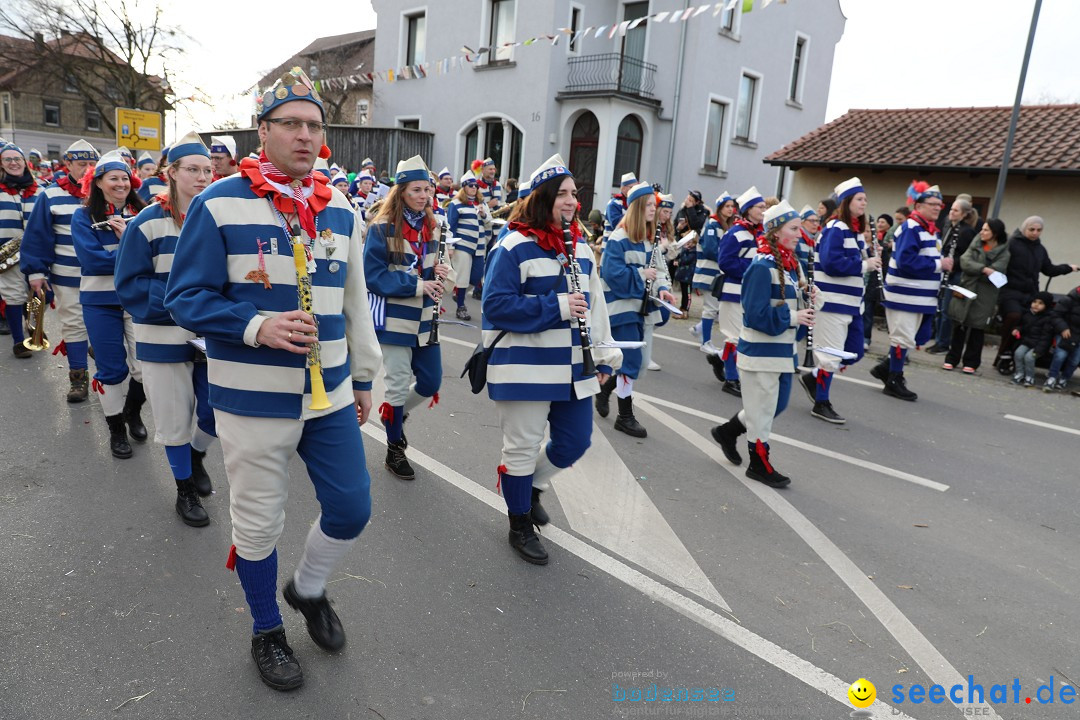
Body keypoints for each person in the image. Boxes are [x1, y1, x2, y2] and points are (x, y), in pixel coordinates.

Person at [164, 68, 381, 691]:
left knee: (352, 507)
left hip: (331, 394)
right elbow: (184, 298)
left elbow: (354, 299)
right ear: (264, 131)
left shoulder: (340, 206)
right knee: (258, 524)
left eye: (314, 125)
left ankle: (307, 589)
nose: (305, 136)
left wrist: (364, 377)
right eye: (291, 124)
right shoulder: (218, 201)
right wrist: (257, 325)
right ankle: (266, 628)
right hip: (252, 397)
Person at [482, 153, 621, 564]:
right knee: (521, 448)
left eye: (574, 194)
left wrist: (607, 354)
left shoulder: (580, 249)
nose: (571, 201)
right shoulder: (512, 245)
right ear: (541, 197)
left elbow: (595, 309)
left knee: (576, 441)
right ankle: (519, 521)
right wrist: (558, 306)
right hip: (523, 365)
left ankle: (530, 488)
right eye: (562, 194)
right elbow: (497, 307)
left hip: (574, 366)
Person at [115, 132, 219, 527]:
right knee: (174, 420)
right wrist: (182, 303)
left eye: (208, 170)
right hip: (162, 336)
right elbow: (130, 286)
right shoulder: (148, 222)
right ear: (171, 173)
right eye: (193, 169)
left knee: (215, 414)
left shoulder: (218, 217)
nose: (202, 177)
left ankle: (196, 456)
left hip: (211, 339)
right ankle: (184, 490)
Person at [710, 200, 813, 488]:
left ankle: (728, 431)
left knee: (773, 407)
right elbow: (755, 315)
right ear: (776, 232)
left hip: (782, 351)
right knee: (763, 409)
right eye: (794, 229)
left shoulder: (792, 264)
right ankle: (759, 462)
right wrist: (794, 316)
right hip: (761, 353)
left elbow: (794, 303)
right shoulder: (761, 266)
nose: (799, 234)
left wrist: (812, 297)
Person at [363, 155, 449, 480]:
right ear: (401, 192)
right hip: (395, 321)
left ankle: (394, 417)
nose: (424, 195)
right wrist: (417, 284)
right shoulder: (381, 228)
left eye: (428, 189)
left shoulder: (435, 227)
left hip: (427, 319)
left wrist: (443, 271)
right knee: (397, 385)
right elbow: (374, 276)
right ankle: (394, 447)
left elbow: (438, 270)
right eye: (417, 189)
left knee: (430, 382)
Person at [70, 151, 148, 458]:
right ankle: (116, 429)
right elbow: (93, 261)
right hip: (99, 302)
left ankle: (132, 411)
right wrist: (131, 248)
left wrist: (130, 238)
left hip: (137, 301)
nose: (121, 183)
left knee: (145, 368)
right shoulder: (82, 216)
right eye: (113, 178)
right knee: (112, 370)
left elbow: (155, 256)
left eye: (125, 177)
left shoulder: (143, 213)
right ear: (98, 182)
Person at [20, 139, 99, 402]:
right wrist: (36, 273)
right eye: (82, 164)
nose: (88, 169)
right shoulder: (50, 195)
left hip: (105, 277)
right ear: (67, 165)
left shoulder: (106, 192)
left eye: (92, 163)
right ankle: (78, 380)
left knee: (104, 327)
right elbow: (38, 236)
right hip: (67, 278)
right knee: (74, 326)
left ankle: (108, 377)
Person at [594, 184, 676, 437]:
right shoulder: (619, 237)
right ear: (639, 207)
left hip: (641, 308)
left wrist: (662, 288)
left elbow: (659, 270)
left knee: (636, 363)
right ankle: (625, 416)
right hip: (621, 309)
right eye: (650, 205)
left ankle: (606, 390)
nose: (655, 209)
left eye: (655, 205)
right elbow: (610, 273)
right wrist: (642, 274)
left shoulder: (648, 239)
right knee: (631, 361)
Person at [798, 178, 878, 424]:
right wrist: (865, 264)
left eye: (865, 198)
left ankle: (813, 377)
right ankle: (821, 402)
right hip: (832, 302)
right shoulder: (835, 228)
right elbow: (832, 264)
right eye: (859, 198)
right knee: (831, 356)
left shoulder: (852, 231)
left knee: (853, 351)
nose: (864, 202)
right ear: (847, 202)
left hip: (850, 303)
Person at [871, 185, 952, 401]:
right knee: (902, 338)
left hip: (920, 295)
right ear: (918, 206)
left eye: (939, 205)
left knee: (914, 337)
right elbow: (907, 262)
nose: (937, 208)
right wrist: (939, 264)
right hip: (905, 294)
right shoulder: (911, 228)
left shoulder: (929, 229)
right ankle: (894, 379)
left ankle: (887, 369)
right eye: (932, 205)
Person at [992, 216, 1079, 372]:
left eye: (1039, 230)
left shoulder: (1040, 249)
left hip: (1030, 294)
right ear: (1024, 228)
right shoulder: (1011, 244)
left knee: (1032, 322)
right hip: (1010, 292)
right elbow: (998, 264)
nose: (1035, 233)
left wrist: (1068, 268)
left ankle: (1017, 355)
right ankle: (1003, 354)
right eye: (1031, 229)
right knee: (1014, 316)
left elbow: (1048, 269)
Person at [714, 187, 767, 397]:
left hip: (750, 294)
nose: (764, 210)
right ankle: (730, 378)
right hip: (733, 291)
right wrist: (752, 270)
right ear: (748, 210)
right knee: (733, 337)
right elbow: (725, 262)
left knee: (744, 336)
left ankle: (721, 361)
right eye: (760, 207)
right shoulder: (735, 233)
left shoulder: (762, 233)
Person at [942, 219, 1010, 374]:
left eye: (986, 230)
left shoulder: (1004, 253)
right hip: (966, 288)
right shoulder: (976, 243)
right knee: (959, 323)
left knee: (977, 328)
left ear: (995, 234)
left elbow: (997, 272)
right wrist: (984, 269)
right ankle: (952, 359)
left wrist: (979, 270)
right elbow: (965, 262)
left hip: (986, 294)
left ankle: (971, 362)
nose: (982, 232)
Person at [0, 143, 42, 358]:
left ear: (25, 162)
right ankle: (19, 341)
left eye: (17, 158)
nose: (14, 163)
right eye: (8, 159)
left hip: (36, 252)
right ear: (1, 163)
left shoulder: (41, 189)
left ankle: (35, 331)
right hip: (7, 255)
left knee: (37, 294)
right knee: (14, 297)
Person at [926, 198, 979, 354]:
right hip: (944, 271)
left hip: (955, 274)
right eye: (951, 210)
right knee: (940, 308)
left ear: (963, 214)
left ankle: (943, 343)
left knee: (947, 310)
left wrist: (951, 263)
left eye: (955, 210)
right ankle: (937, 339)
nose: (951, 212)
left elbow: (965, 255)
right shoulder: (949, 227)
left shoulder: (967, 231)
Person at [691, 191, 734, 357]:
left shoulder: (725, 226)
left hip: (717, 273)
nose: (730, 209)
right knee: (711, 308)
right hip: (709, 273)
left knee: (715, 308)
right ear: (720, 208)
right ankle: (705, 343)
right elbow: (710, 250)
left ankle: (698, 330)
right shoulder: (712, 225)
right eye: (727, 206)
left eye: (732, 206)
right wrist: (728, 259)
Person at [863, 212, 895, 348]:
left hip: (874, 283)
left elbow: (885, 265)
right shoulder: (859, 245)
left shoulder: (881, 245)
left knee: (869, 312)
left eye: (868, 231)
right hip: (862, 283)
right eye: (864, 231)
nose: (866, 234)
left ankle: (866, 339)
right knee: (862, 312)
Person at [1010, 291, 1055, 386]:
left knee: (1029, 358)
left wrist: (1039, 350)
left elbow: (1046, 337)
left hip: (1039, 345)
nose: (1036, 305)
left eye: (1040, 303)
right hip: (1026, 341)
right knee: (1018, 354)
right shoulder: (1027, 314)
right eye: (1034, 302)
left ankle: (1030, 377)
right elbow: (1021, 325)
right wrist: (1017, 329)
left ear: (1046, 306)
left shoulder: (1048, 318)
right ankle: (1019, 373)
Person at [1045, 284, 1080, 392]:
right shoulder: (1069, 299)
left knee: (1075, 360)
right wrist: (1063, 328)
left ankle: (1065, 378)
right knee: (1060, 356)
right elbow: (1056, 315)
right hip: (1067, 332)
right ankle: (1052, 377)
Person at [603, 172, 637, 247]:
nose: (634, 190)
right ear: (623, 188)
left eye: (636, 187)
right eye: (631, 187)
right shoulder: (613, 203)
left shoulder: (633, 203)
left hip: (625, 246)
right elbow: (616, 224)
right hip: (610, 247)